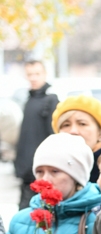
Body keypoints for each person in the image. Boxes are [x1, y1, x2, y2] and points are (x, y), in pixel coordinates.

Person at [15, 59, 58, 209]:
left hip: (41, 169)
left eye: (37, 74)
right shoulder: (29, 100)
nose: (33, 78)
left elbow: (53, 135)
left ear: (45, 74)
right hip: (26, 170)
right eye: (29, 74)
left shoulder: (51, 100)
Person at [52, 95, 101, 183]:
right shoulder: (50, 165)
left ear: (99, 132)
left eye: (82, 124)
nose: (73, 131)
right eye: (66, 125)